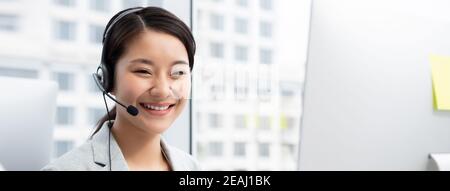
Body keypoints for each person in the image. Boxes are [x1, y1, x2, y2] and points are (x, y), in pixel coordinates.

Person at [42, 6, 199, 171]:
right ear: (108, 79)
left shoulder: (192, 167)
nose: (163, 90)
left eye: (178, 72)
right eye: (143, 71)